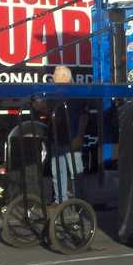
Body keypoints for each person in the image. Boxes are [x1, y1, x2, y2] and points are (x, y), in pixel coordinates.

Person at [46, 66, 87, 203]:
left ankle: (80, 203)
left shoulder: (76, 94)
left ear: (65, 77)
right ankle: (60, 202)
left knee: (76, 173)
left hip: (72, 138)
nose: (53, 77)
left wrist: (79, 137)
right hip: (56, 139)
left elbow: (83, 116)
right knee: (58, 173)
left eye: (55, 75)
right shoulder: (52, 94)